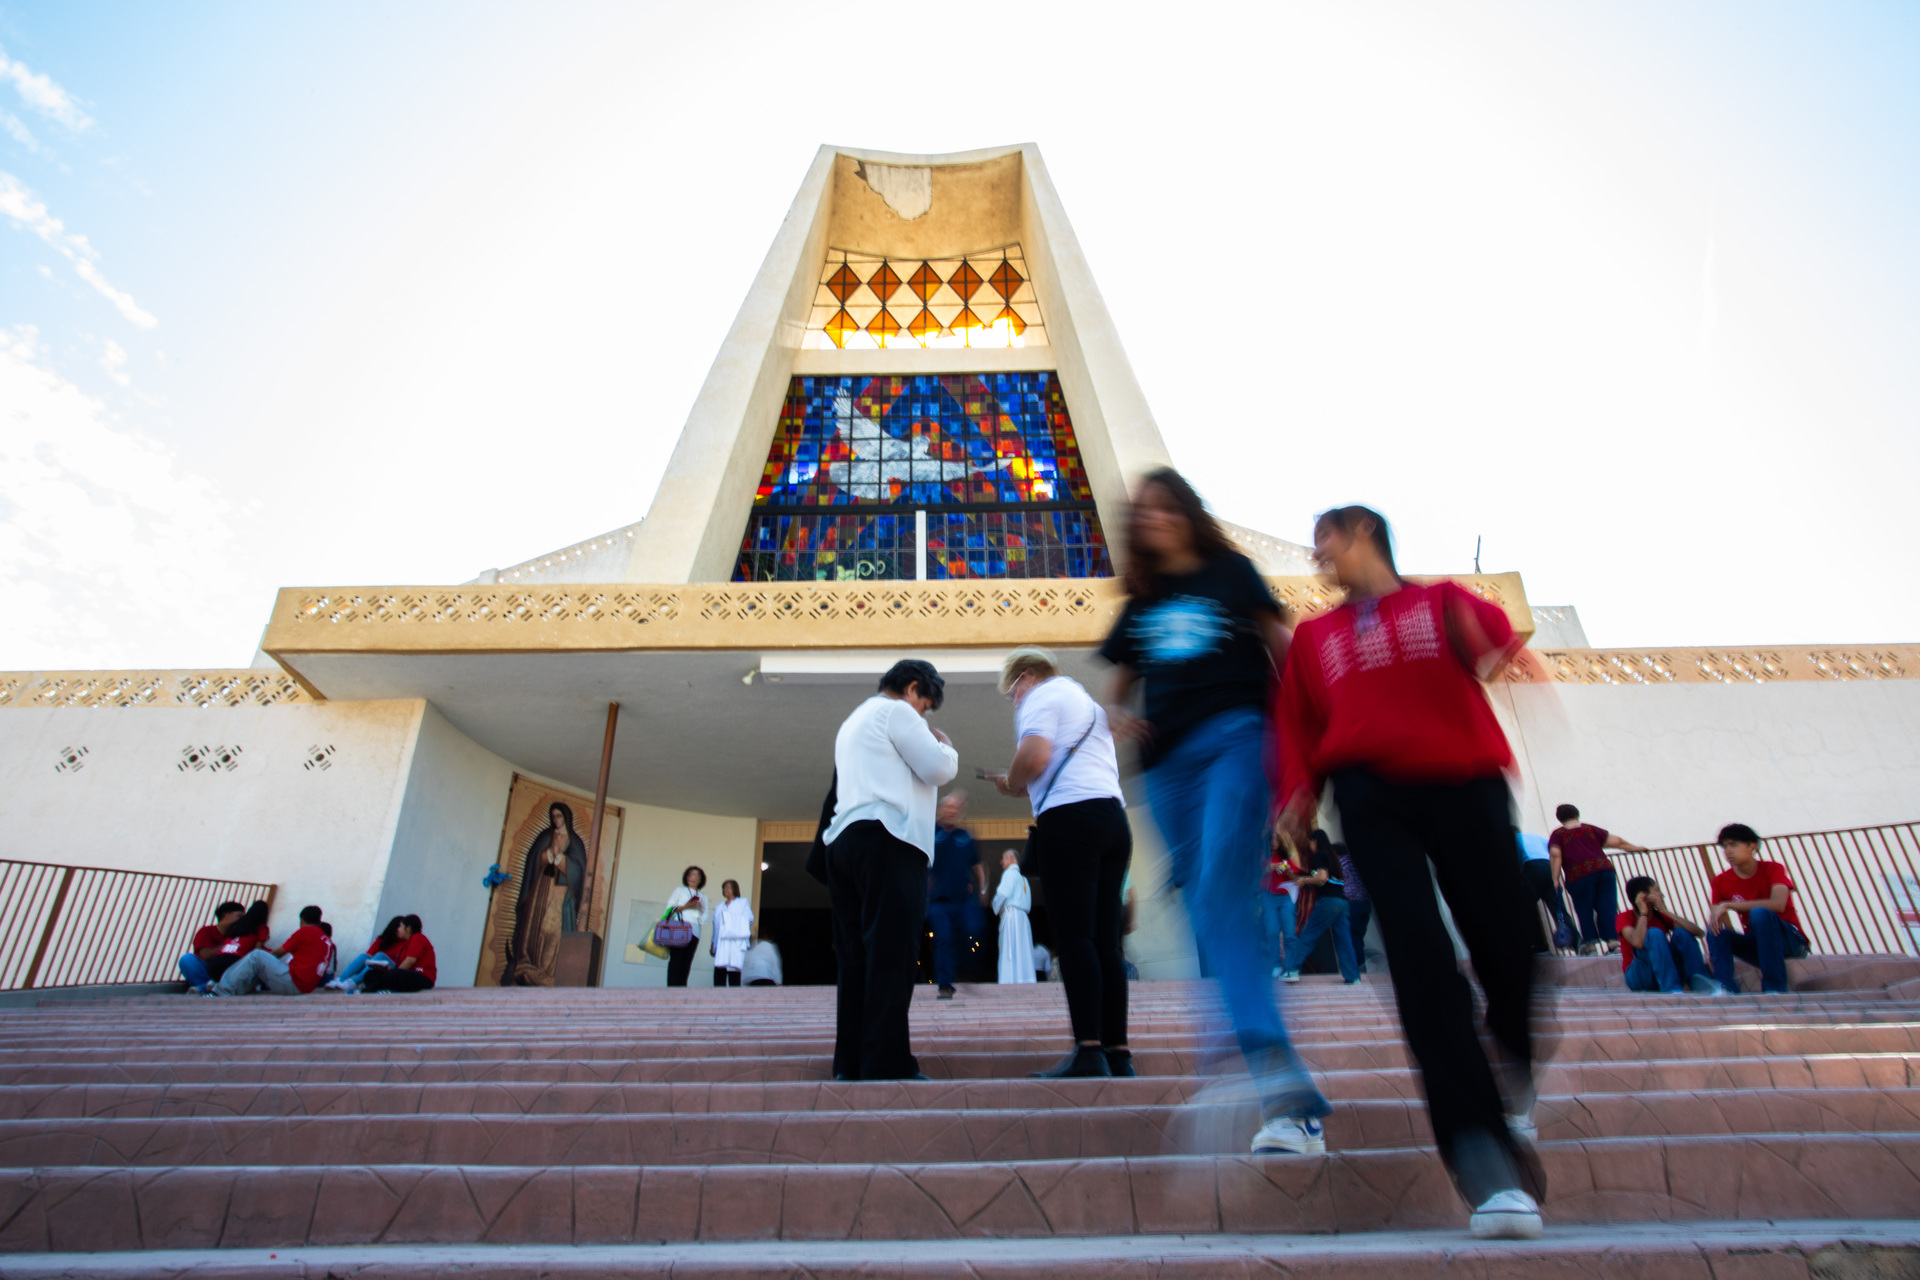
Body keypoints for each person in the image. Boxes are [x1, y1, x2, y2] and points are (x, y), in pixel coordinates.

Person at [1274, 504, 1543, 1240]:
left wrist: (1508, 655)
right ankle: (1483, 1160)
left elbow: (1497, 641)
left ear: (1364, 533)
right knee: (1421, 960)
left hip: (1466, 780)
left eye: (1326, 539)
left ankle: (1515, 1056)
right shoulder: (1315, 638)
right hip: (1369, 794)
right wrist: (1297, 793)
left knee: (1506, 943)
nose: (1318, 554)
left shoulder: (1442, 602)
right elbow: (1299, 722)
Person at [1100, 468, 1331, 1150]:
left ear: (1187, 512)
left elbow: (1285, 656)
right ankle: (1282, 1091)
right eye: (1143, 512)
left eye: (1166, 507)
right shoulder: (1142, 599)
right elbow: (1120, 679)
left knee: (1219, 887)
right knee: (1209, 904)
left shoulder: (1232, 573)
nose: (1155, 519)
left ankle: (1256, 1050)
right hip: (1167, 769)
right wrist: (1117, 714)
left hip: (1237, 737)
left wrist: (1304, 760)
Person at [990, 645, 1131, 1077]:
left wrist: (1010, 782)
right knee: (1106, 942)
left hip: (1070, 820)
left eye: (1012, 691)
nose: (1015, 700)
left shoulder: (1041, 695)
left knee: (1074, 937)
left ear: (1027, 676)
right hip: (1113, 818)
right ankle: (1117, 1052)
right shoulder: (1086, 704)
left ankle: (1088, 1049)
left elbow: (1034, 756)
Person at [822, 658, 959, 1081]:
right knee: (892, 955)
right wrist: (946, 745)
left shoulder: (853, 720)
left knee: (855, 959)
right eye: (925, 705)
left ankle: (850, 1064)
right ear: (913, 687)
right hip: (889, 839)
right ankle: (886, 1063)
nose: (923, 715)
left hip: (844, 843)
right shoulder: (896, 711)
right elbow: (938, 769)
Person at [1707, 823, 1809, 994]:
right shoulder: (1721, 880)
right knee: (1716, 932)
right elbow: (1715, 915)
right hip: (1758, 944)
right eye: (1724, 846)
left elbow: (1778, 904)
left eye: (1733, 845)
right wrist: (1714, 918)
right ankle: (1725, 987)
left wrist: (1730, 904)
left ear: (1752, 847)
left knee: (1760, 914)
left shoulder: (1773, 869)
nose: (1728, 851)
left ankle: (1774, 988)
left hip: (1790, 942)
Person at [504, 801, 587, 986]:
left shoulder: (575, 842)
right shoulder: (545, 836)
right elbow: (533, 858)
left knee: (552, 930)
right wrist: (546, 855)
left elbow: (578, 870)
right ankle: (527, 963)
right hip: (540, 889)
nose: (556, 820)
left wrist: (561, 859)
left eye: (559, 816)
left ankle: (549, 971)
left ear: (566, 817)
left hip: (559, 893)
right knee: (534, 924)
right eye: (553, 816)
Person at [1549, 804, 1647, 955]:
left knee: (1584, 909)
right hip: (1604, 871)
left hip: (1579, 876)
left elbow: (1555, 854)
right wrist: (1636, 848)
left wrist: (1555, 878)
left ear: (1560, 819)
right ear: (1577, 815)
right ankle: (1614, 943)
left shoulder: (1558, 834)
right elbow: (1617, 841)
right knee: (1607, 907)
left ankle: (1591, 946)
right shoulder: (1590, 829)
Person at [927, 791, 987, 999]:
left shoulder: (966, 836)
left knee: (974, 930)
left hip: (964, 900)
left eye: (956, 807)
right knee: (943, 939)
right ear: (940, 809)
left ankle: (965, 969)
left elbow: (977, 865)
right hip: (939, 902)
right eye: (949, 806)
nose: (952, 810)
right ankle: (945, 985)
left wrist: (982, 889)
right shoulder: (930, 832)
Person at [1282, 830, 1361, 984]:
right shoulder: (1334, 858)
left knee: (1309, 935)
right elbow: (1323, 877)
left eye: (1310, 842)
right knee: (1344, 940)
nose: (1310, 845)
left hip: (1328, 902)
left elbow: (1322, 877)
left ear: (1315, 841)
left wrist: (1305, 880)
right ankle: (1353, 977)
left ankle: (1292, 970)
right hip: (1342, 902)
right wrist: (1299, 876)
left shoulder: (1319, 855)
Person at [1618, 875, 1716, 994]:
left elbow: (1699, 932)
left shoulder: (1660, 916)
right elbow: (1637, 943)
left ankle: (1700, 982)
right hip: (1640, 976)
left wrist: (1665, 911)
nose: (1662, 895)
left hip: (1662, 970)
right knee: (1654, 933)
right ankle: (1671, 988)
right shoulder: (1624, 917)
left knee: (1682, 933)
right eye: (1657, 890)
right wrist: (1643, 913)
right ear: (1644, 896)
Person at [210, 905, 333, 997]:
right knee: (262, 967)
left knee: (256, 955)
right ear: (319, 921)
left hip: (293, 983)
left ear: (301, 920)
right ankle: (233, 990)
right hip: (306, 987)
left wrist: (261, 958)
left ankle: (220, 990)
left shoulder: (305, 931)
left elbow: (277, 954)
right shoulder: (326, 940)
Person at [1517, 831, 1570, 953]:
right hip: (1548, 866)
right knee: (1558, 908)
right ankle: (1577, 941)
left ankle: (1538, 945)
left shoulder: (1515, 839)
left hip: (1531, 866)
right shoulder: (1536, 836)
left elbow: (1517, 858)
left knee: (1527, 908)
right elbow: (1555, 851)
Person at [325, 916, 407, 992]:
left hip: (393, 969)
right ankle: (341, 979)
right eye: (399, 927)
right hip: (376, 968)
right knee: (364, 956)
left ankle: (354, 982)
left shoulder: (406, 942)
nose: (400, 930)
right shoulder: (382, 940)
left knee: (381, 955)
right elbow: (368, 956)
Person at [177, 901, 244, 993]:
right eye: (239, 916)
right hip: (209, 972)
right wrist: (228, 945)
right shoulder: (206, 931)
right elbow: (205, 956)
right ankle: (212, 987)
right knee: (187, 959)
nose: (242, 920)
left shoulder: (241, 934)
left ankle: (206, 988)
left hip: (228, 972)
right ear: (226, 915)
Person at [992, 848, 1037, 984]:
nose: (1001, 862)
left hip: (1012, 916)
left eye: (1003, 858)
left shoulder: (1010, 873)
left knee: (1009, 948)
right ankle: (1024, 978)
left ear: (1011, 858)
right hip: (1023, 918)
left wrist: (994, 905)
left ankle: (1009, 979)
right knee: (1023, 949)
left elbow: (1002, 893)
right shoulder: (1023, 879)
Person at [363, 914, 437, 992]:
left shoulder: (418, 937)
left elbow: (410, 961)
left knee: (394, 975)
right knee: (370, 974)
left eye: (401, 926)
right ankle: (379, 990)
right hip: (407, 974)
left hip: (422, 974)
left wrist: (393, 971)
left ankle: (370, 991)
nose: (398, 929)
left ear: (408, 928)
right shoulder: (407, 943)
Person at [205, 900, 272, 982]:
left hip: (215, 962)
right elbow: (256, 952)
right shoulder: (261, 928)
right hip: (234, 962)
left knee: (220, 979)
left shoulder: (235, 925)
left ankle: (210, 985)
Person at [663, 867, 708, 988]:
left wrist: (700, 909)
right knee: (676, 961)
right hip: (679, 930)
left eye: (697, 875)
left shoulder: (703, 896)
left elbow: (704, 920)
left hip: (695, 933)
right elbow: (668, 909)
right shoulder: (680, 890)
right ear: (686, 877)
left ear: (701, 879)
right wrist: (685, 906)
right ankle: (672, 990)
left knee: (686, 963)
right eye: (691, 875)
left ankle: (682, 990)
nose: (694, 878)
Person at [1261, 848, 1300, 979]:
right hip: (1268, 895)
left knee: (1289, 932)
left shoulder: (1287, 856)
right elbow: (1252, 875)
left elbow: (1296, 879)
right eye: (1272, 839)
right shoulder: (1262, 854)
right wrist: (1267, 868)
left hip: (1286, 895)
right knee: (1272, 931)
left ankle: (1291, 968)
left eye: (1276, 839)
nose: (1273, 841)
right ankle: (1276, 965)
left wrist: (1289, 871)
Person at [1338, 841, 1373, 974]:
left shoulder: (1341, 864)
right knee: (1358, 936)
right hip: (1365, 903)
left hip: (1353, 903)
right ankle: (1361, 966)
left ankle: (1357, 967)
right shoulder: (1355, 862)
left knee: (1352, 937)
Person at [711, 879, 754, 987]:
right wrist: (713, 944)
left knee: (734, 973)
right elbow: (715, 927)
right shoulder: (719, 906)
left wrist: (731, 920)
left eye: (729, 887)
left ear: (735, 889)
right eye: (724, 888)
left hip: (735, 944)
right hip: (721, 944)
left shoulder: (742, 902)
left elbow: (749, 918)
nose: (726, 889)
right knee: (719, 973)